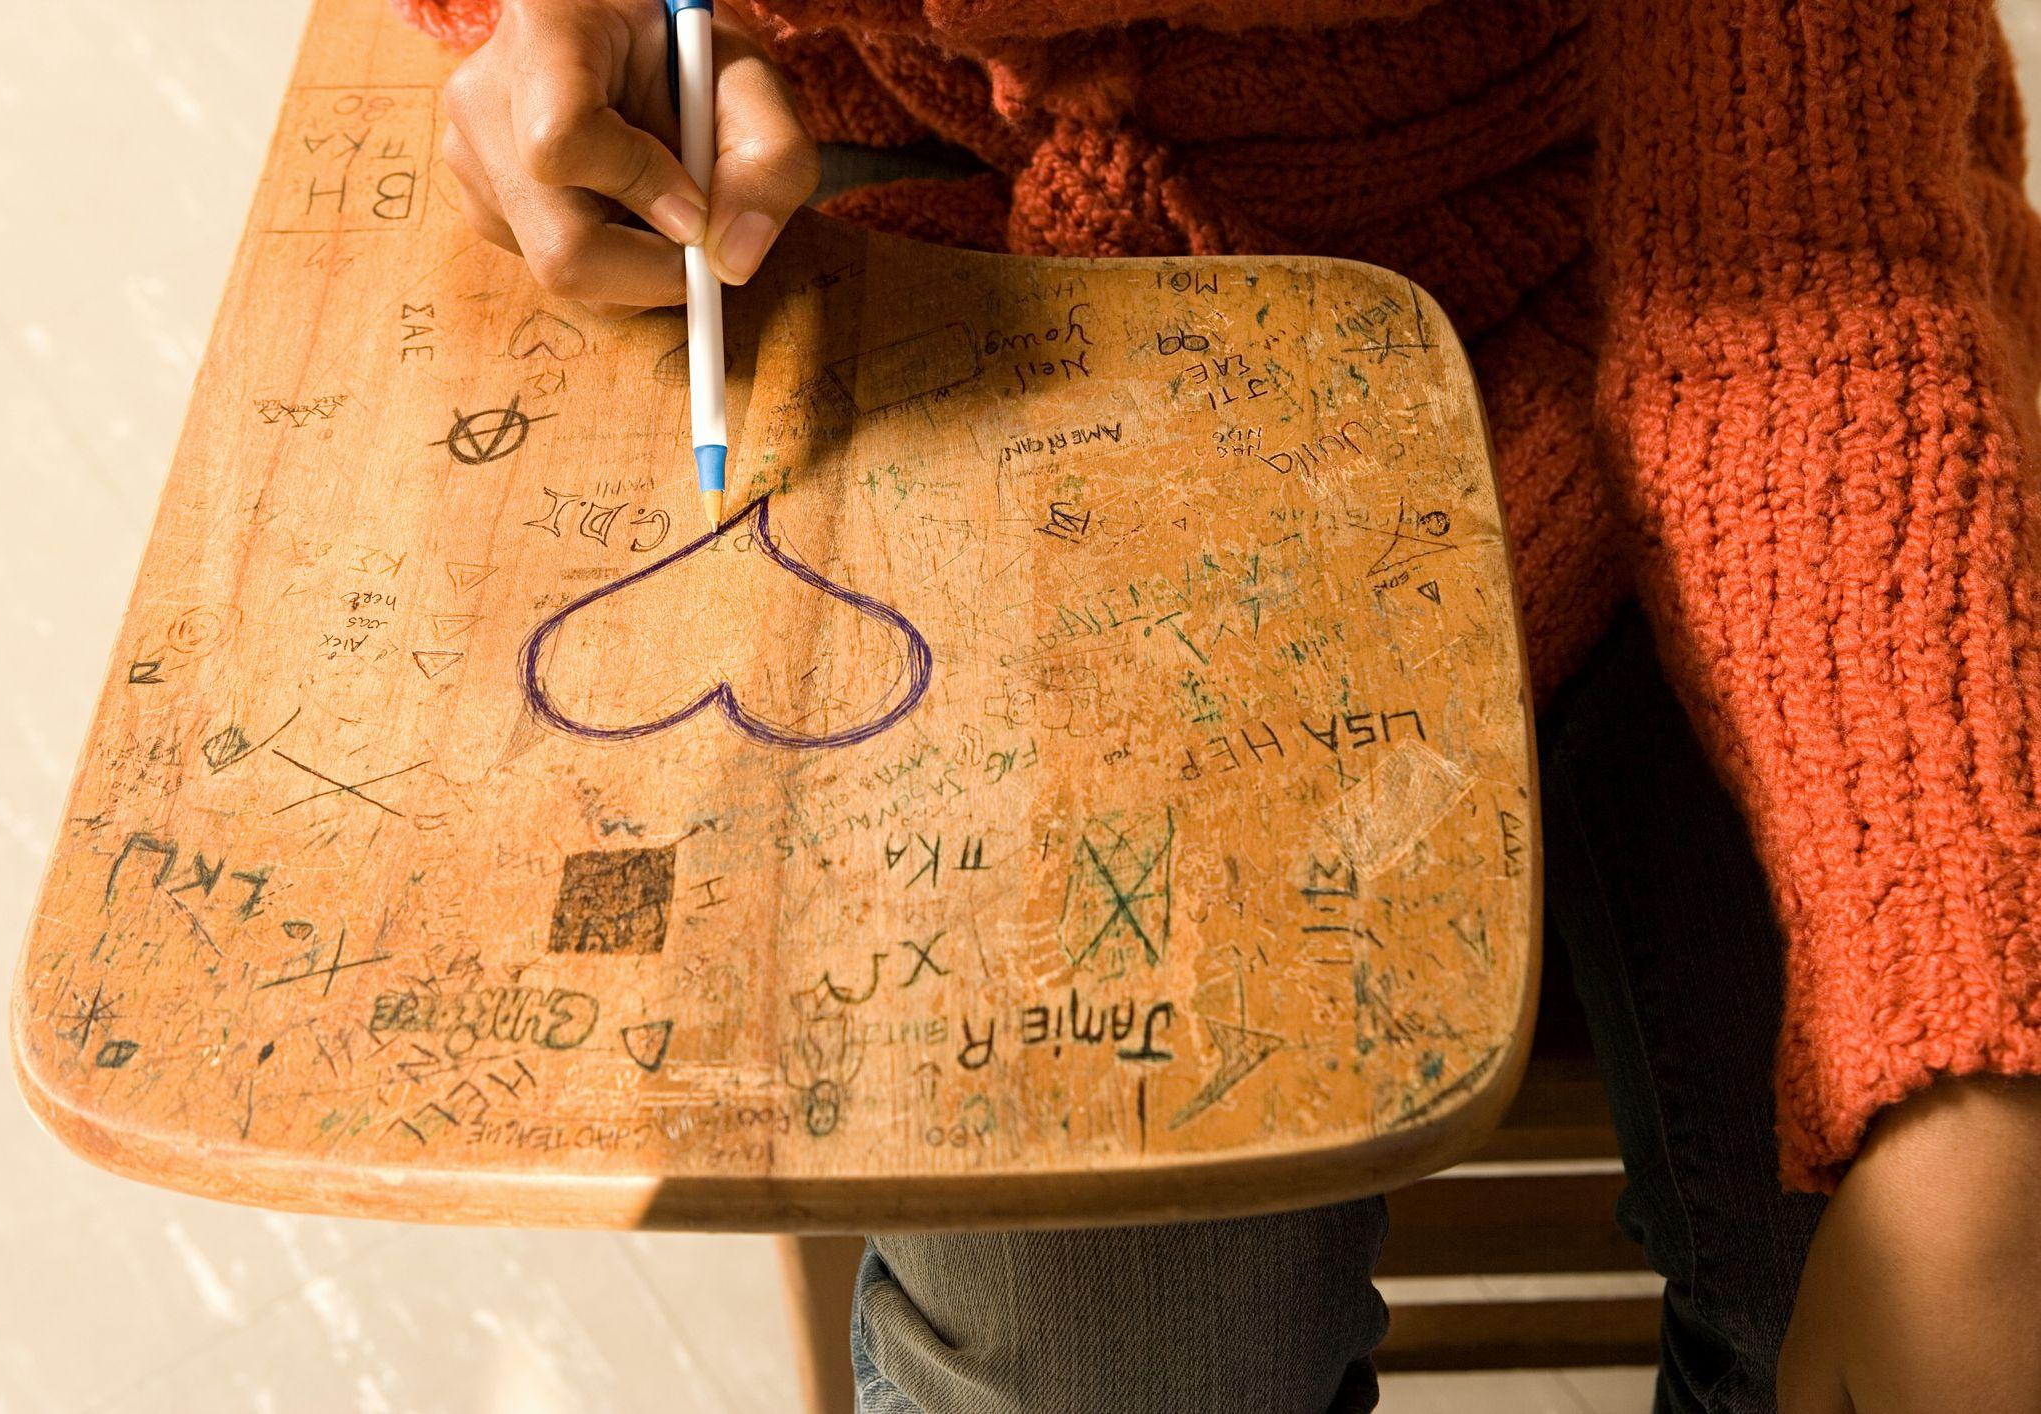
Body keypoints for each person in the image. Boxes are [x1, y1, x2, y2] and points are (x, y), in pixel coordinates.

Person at [400, 0, 2041, 1408]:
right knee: (1099, 1366)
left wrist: (1964, 1050)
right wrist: (561, 46)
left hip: (1671, 215)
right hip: (918, 205)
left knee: (1887, 1287)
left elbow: (1815, 290)